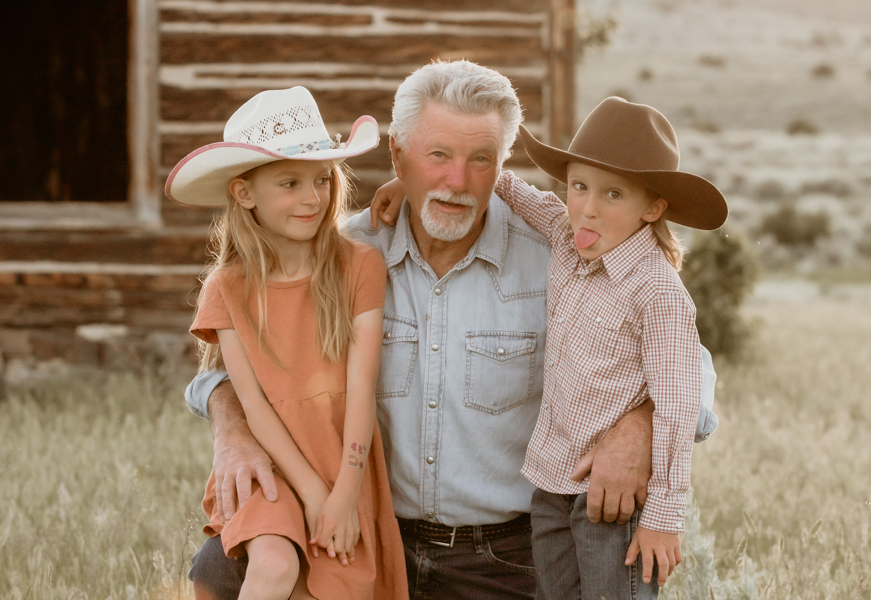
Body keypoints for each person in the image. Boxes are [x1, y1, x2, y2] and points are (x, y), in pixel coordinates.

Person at [185, 61, 720, 600]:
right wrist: (232, 431)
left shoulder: (563, 258)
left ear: (501, 166)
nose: (457, 182)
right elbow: (224, 370)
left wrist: (640, 426)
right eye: (437, 155)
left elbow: (687, 365)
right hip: (369, 529)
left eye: (480, 159)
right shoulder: (340, 255)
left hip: (508, 553)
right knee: (220, 570)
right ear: (398, 156)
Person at [165, 86, 409, 600]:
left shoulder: (359, 265)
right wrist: (313, 492)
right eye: (289, 183)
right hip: (272, 464)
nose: (312, 198)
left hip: (342, 460)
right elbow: (253, 405)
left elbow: (361, 388)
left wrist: (342, 493)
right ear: (244, 193)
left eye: (321, 179)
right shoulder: (227, 288)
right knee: (274, 566)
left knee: (330, 586)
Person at [494, 97, 727, 598]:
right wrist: (422, 181)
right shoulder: (565, 236)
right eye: (578, 186)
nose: (588, 208)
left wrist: (663, 516)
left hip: (614, 501)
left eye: (613, 194)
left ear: (653, 207)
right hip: (552, 485)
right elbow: (515, 191)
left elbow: (677, 404)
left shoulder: (657, 291)